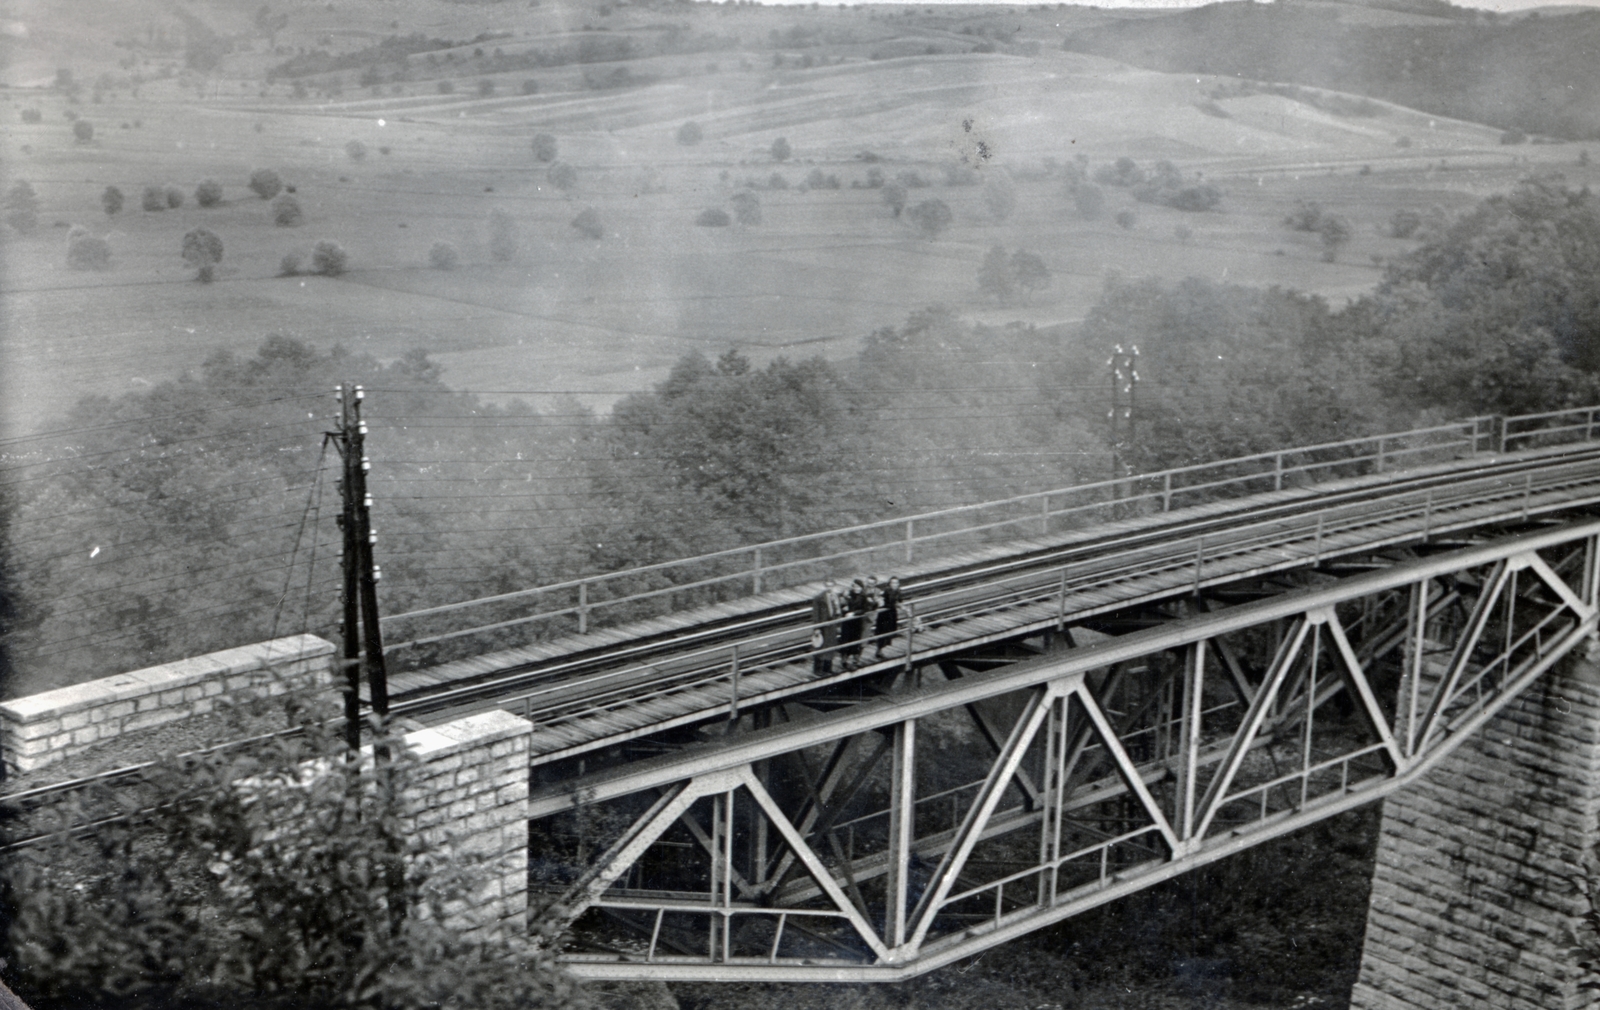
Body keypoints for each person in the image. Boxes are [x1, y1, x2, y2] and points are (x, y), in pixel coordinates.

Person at [811, 578, 843, 674]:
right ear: (825, 586)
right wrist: (817, 627)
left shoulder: (835, 597)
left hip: (832, 625)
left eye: (831, 586)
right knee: (820, 646)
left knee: (831, 646)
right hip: (822, 625)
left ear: (834, 586)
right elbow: (816, 613)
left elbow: (838, 611)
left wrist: (838, 624)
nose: (829, 588)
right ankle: (817, 669)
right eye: (827, 586)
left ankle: (827, 668)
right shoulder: (819, 598)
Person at [840, 577, 868, 669]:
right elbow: (842, 605)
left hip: (856, 622)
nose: (856, 588)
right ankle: (844, 660)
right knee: (846, 639)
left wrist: (854, 613)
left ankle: (854, 661)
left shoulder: (863, 597)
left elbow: (864, 609)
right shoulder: (848, 595)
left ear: (861, 587)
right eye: (854, 586)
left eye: (858, 587)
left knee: (855, 640)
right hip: (847, 622)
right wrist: (844, 608)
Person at [874, 575, 902, 660]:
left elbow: (899, 601)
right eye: (892, 582)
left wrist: (901, 606)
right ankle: (879, 650)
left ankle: (880, 650)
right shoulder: (887, 591)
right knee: (883, 631)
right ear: (889, 584)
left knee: (890, 631)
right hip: (885, 614)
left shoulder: (898, 591)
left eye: (896, 583)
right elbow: (888, 603)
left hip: (892, 614)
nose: (894, 584)